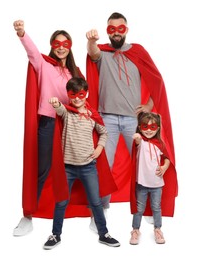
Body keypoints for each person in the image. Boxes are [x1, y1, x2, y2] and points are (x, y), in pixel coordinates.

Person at [86, 12, 178, 230]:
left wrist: (148, 105)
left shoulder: (138, 51)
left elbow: (157, 81)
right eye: (111, 28)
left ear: (126, 30)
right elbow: (93, 52)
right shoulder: (104, 53)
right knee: (103, 165)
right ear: (107, 30)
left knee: (145, 164)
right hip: (107, 118)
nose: (116, 32)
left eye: (120, 28)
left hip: (133, 120)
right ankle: (100, 210)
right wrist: (91, 41)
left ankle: (147, 207)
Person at [13, 20, 85, 237]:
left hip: (70, 124)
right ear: (52, 46)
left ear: (70, 46)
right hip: (48, 122)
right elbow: (32, 51)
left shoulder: (75, 72)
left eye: (65, 43)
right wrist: (22, 33)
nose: (61, 46)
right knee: (42, 169)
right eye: (57, 43)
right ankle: (28, 215)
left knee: (79, 166)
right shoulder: (42, 64)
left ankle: (92, 212)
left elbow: (82, 99)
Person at [44, 77, 120, 249]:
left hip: (88, 167)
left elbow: (104, 132)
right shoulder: (67, 112)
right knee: (61, 201)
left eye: (81, 94)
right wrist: (56, 103)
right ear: (68, 95)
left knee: (96, 202)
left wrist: (100, 148)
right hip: (68, 168)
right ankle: (55, 235)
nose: (77, 98)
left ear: (87, 94)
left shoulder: (92, 115)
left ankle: (104, 234)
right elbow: (59, 109)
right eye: (73, 95)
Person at [130, 112, 171, 245]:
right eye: (145, 127)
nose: (148, 130)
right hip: (142, 183)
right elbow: (137, 140)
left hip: (157, 183)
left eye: (152, 127)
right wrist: (137, 136)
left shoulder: (160, 144)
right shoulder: (141, 142)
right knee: (139, 208)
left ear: (158, 128)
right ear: (140, 127)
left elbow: (167, 159)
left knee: (156, 207)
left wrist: (164, 167)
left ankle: (158, 229)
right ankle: (135, 230)